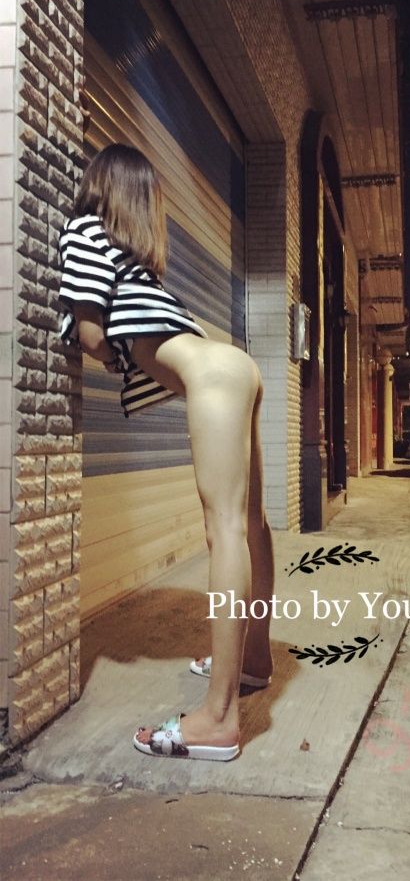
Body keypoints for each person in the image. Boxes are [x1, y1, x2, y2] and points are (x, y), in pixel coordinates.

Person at [57, 143, 275, 761]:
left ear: (99, 185)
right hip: (234, 366)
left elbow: (93, 336)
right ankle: (255, 660)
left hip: (212, 377)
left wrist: (101, 349)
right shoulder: (135, 262)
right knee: (250, 525)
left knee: (224, 530)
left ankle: (219, 718)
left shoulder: (83, 231)